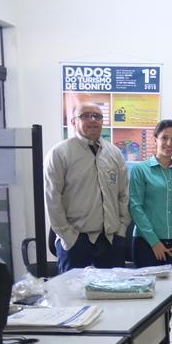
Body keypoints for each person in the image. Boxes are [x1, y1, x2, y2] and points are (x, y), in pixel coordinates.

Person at [129, 119, 172, 344]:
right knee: (148, 300)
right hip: (146, 243)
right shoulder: (141, 170)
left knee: (166, 302)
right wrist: (153, 241)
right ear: (155, 139)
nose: (169, 143)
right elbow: (136, 206)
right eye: (164, 137)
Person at [45, 103, 130, 272]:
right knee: (72, 296)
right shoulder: (60, 153)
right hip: (76, 241)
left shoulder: (114, 153)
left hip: (110, 240)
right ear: (73, 122)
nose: (92, 120)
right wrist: (68, 236)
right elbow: (52, 198)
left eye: (97, 116)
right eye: (85, 116)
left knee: (113, 296)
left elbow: (123, 195)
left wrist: (121, 230)